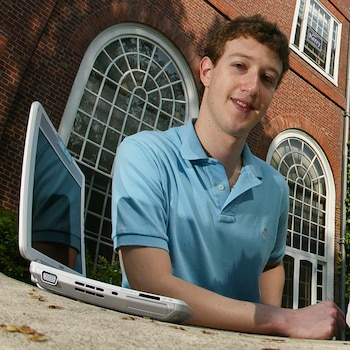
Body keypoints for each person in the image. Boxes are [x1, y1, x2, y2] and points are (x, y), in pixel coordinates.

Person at [111, 14, 345, 339]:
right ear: (207, 71)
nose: (251, 87)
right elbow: (150, 284)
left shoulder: (275, 187)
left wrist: (268, 333)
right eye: (239, 66)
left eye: (267, 78)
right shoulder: (144, 155)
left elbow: (272, 264)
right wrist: (281, 320)